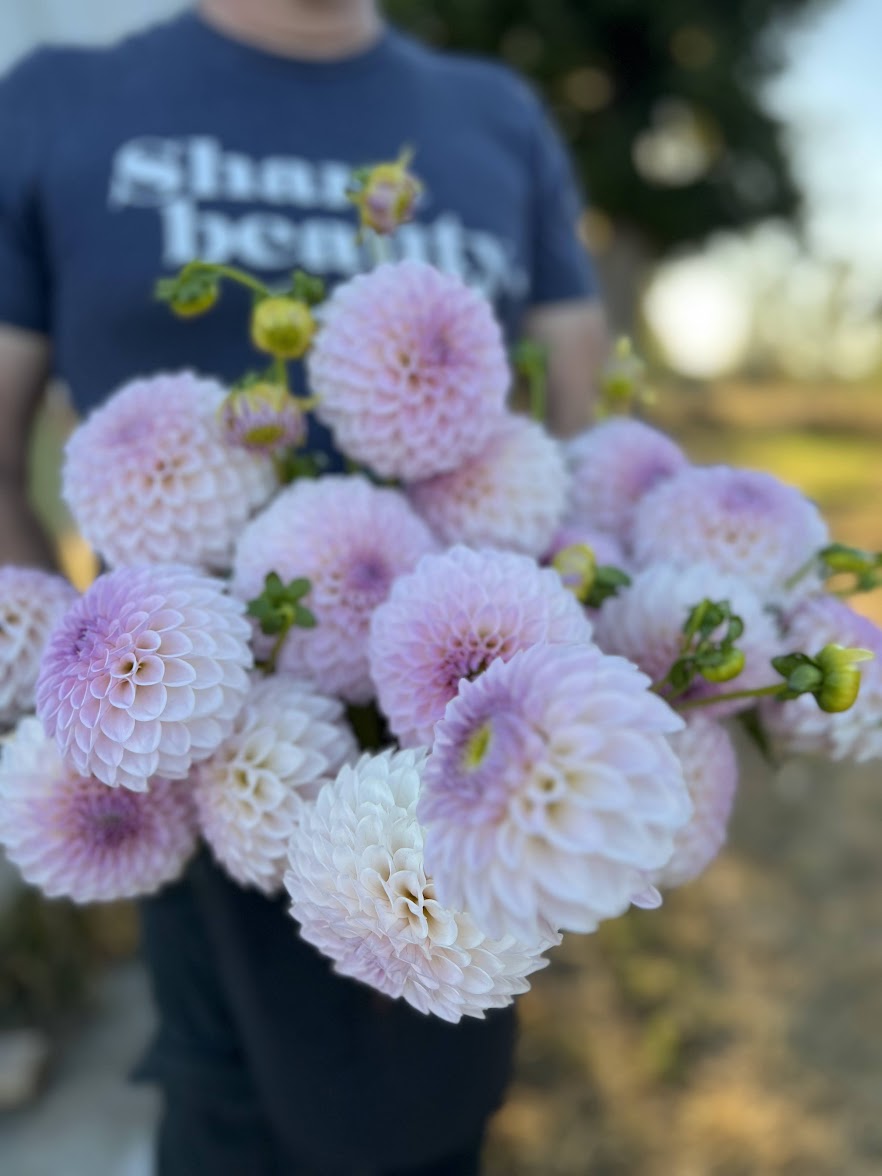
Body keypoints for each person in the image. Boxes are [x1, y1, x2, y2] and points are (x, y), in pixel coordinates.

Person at [0, 1, 608, 1171]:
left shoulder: (498, 117)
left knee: (433, 1133)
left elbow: (581, 446)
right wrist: (98, 725)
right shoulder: (59, 104)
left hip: (460, 786)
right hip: (200, 774)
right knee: (230, 1127)